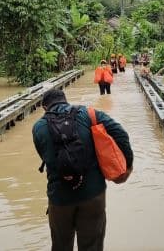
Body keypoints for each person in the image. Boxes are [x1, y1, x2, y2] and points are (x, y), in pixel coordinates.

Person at [33, 89, 133, 251]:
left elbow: (45, 156)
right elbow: (120, 133)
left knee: (61, 245)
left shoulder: (38, 128)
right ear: (66, 101)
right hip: (93, 195)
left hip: (60, 199)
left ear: (44, 108)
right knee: (92, 245)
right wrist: (128, 165)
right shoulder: (90, 114)